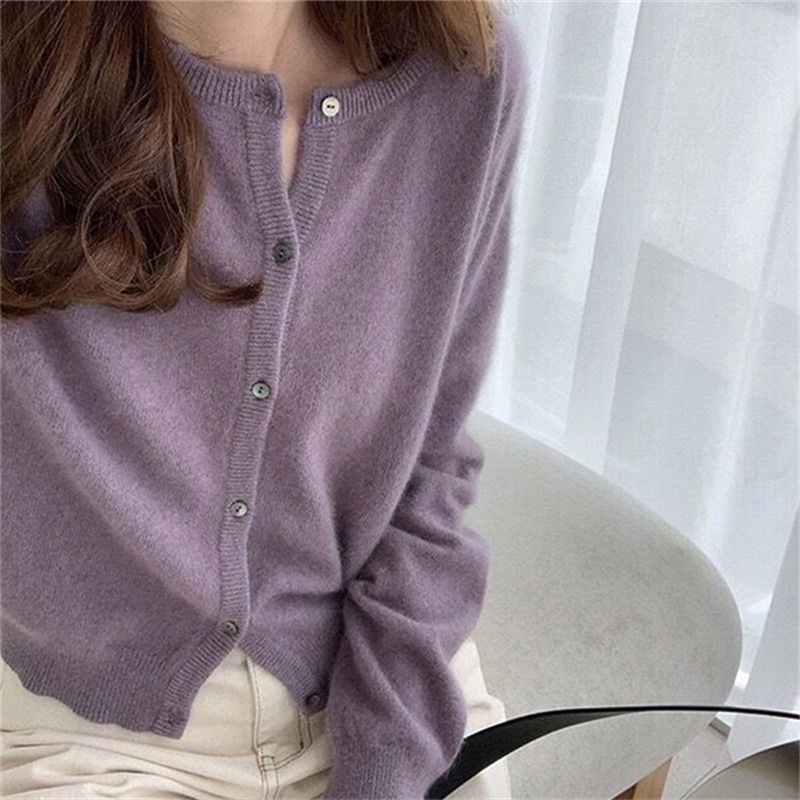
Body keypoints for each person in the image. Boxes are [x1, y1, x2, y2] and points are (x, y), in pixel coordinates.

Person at [0, 0, 528, 796]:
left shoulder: (466, 80)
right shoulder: (25, 72)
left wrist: (385, 768)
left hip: (385, 688)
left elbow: (430, 466)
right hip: (86, 738)